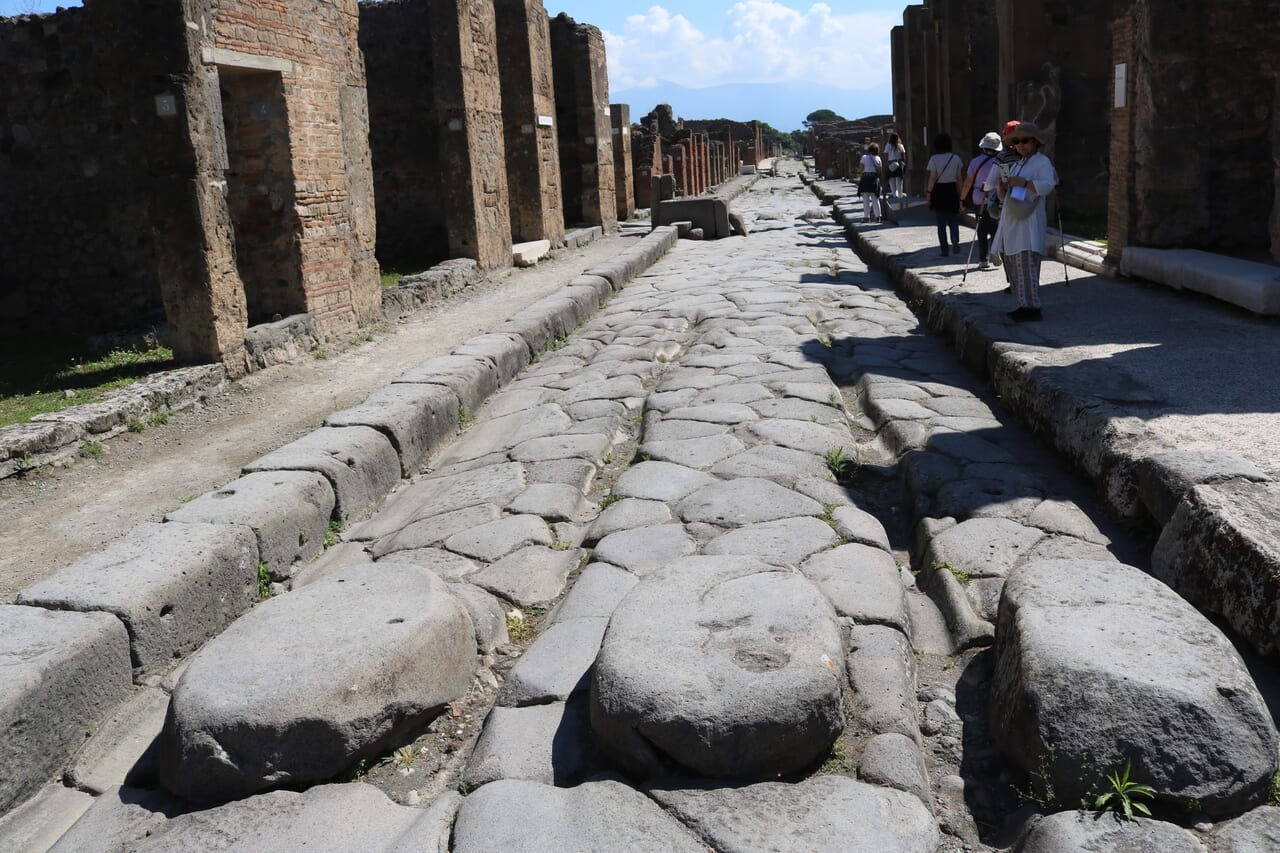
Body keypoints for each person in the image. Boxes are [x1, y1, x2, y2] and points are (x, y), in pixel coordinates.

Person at [995, 122, 1058, 321]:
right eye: (1017, 141)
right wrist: (1003, 187)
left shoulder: (1042, 162)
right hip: (1014, 219)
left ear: (1035, 142)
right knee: (1014, 264)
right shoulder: (1017, 164)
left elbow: (1048, 185)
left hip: (1029, 221)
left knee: (1026, 264)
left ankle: (1032, 307)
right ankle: (1023, 303)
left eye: (1025, 141)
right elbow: (1010, 195)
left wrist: (1024, 182)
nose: (1021, 145)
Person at [959, 132, 1003, 270]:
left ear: (984, 147)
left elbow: (968, 182)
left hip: (980, 199)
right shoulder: (1001, 162)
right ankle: (996, 249)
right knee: (995, 226)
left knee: (982, 229)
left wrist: (962, 199)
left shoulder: (975, 162)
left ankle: (983, 259)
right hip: (996, 198)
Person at [925, 133, 963, 256]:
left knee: (941, 223)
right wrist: (961, 193)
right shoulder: (956, 158)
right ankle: (955, 237)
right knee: (953, 219)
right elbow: (959, 178)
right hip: (952, 189)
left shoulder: (934, 159)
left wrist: (929, 193)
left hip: (939, 190)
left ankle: (944, 249)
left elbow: (932, 178)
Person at [857, 143, 883, 223]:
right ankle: (878, 217)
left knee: (866, 199)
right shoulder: (878, 158)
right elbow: (880, 171)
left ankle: (866, 217)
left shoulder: (864, 157)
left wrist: (860, 172)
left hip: (865, 178)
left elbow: (860, 169)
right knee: (875, 199)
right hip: (874, 179)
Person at [885, 133, 906, 198]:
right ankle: (900, 195)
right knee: (899, 180)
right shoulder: (901, 146)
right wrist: (903, 163)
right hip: (899, 162)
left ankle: (894, 194)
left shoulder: (888, 145)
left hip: (891, 163)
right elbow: (903, 156)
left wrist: (887, 163)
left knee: (891, 180)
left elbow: (886, 155)